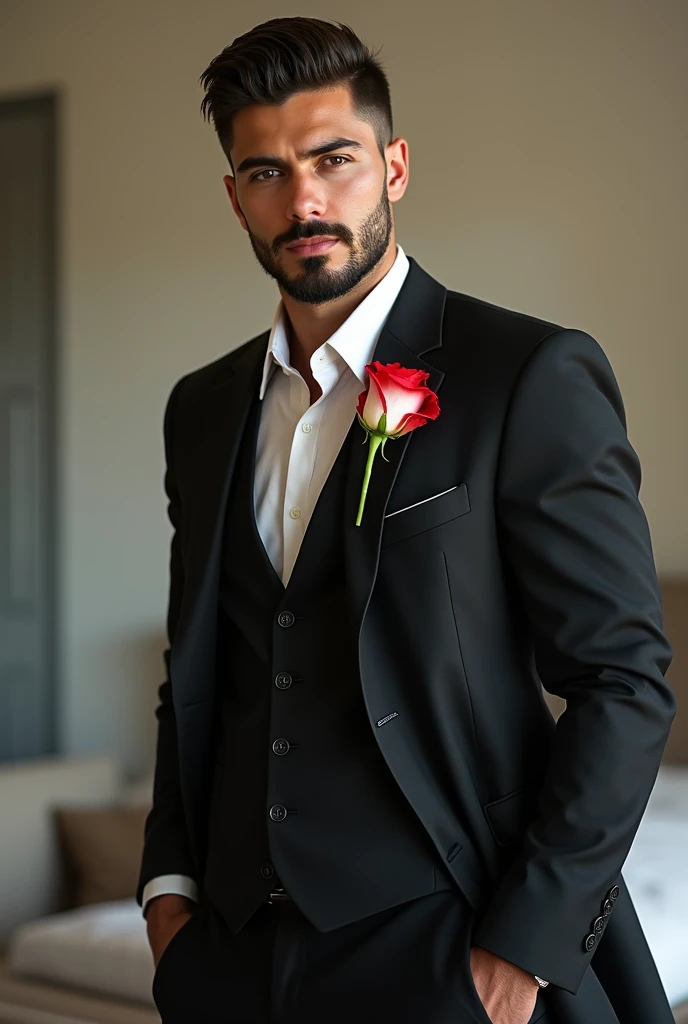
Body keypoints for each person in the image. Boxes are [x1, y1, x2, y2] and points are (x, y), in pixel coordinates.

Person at [136, 16, 676, 1024]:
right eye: (265, 172)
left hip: (445, 953)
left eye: (332, 159)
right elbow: (201, 670)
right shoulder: (201, 410)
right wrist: (169, 898)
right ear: (235, 198)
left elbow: (622, 680)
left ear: (392, 166)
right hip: (231, 965)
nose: (302, 198)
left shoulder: (522, 373)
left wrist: (517, 955)